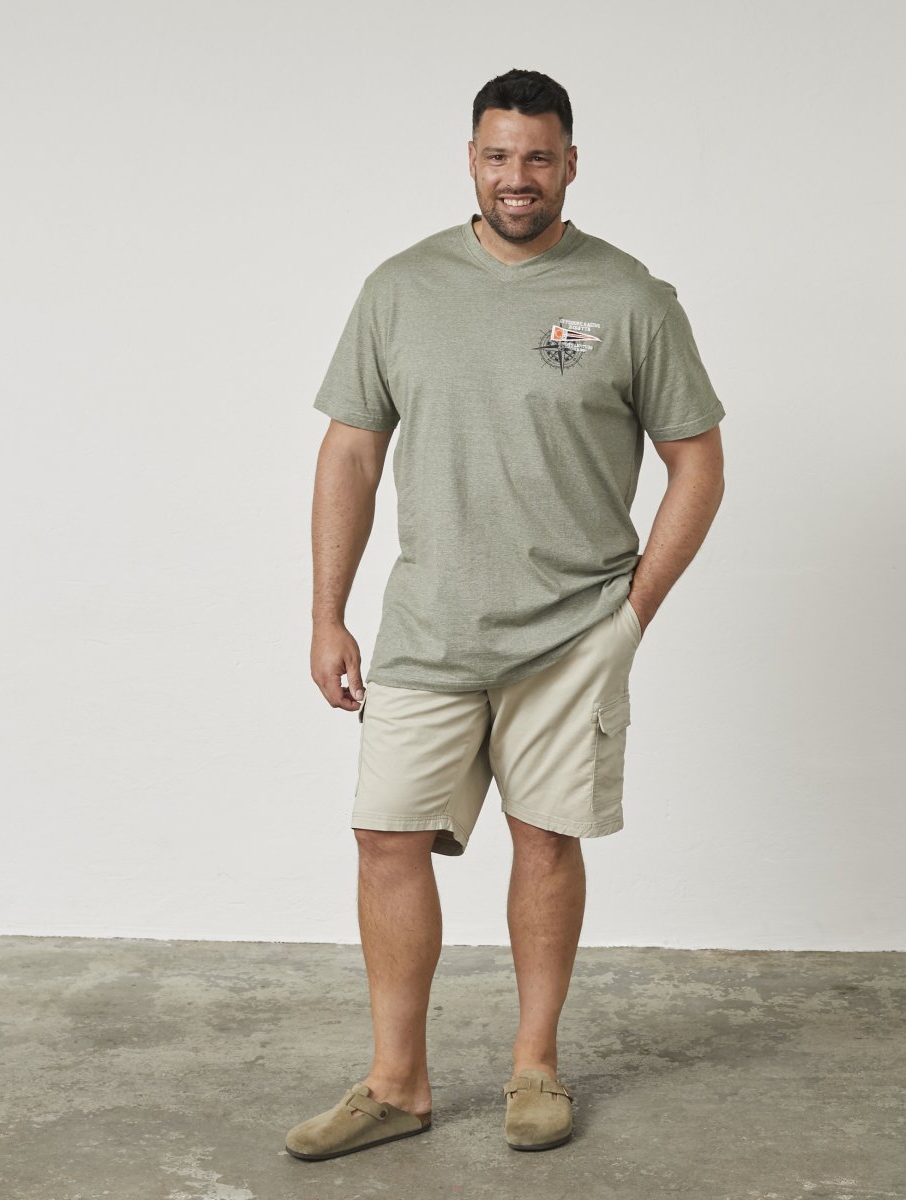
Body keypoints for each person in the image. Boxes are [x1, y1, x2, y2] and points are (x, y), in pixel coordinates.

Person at [286, 68, 726, 1161]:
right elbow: (350, 452)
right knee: (385, 836)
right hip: (429, 626)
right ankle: (398, 1084)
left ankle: (536, 1067)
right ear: (471, 161)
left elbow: (699, 463)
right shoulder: (401, 288)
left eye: (537, 156)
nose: (515, 177)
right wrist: (327, 613)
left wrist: (631, 615)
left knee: (545, 838)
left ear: (571, 163)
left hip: (573, 627)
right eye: (497, 156)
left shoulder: (630, 298)